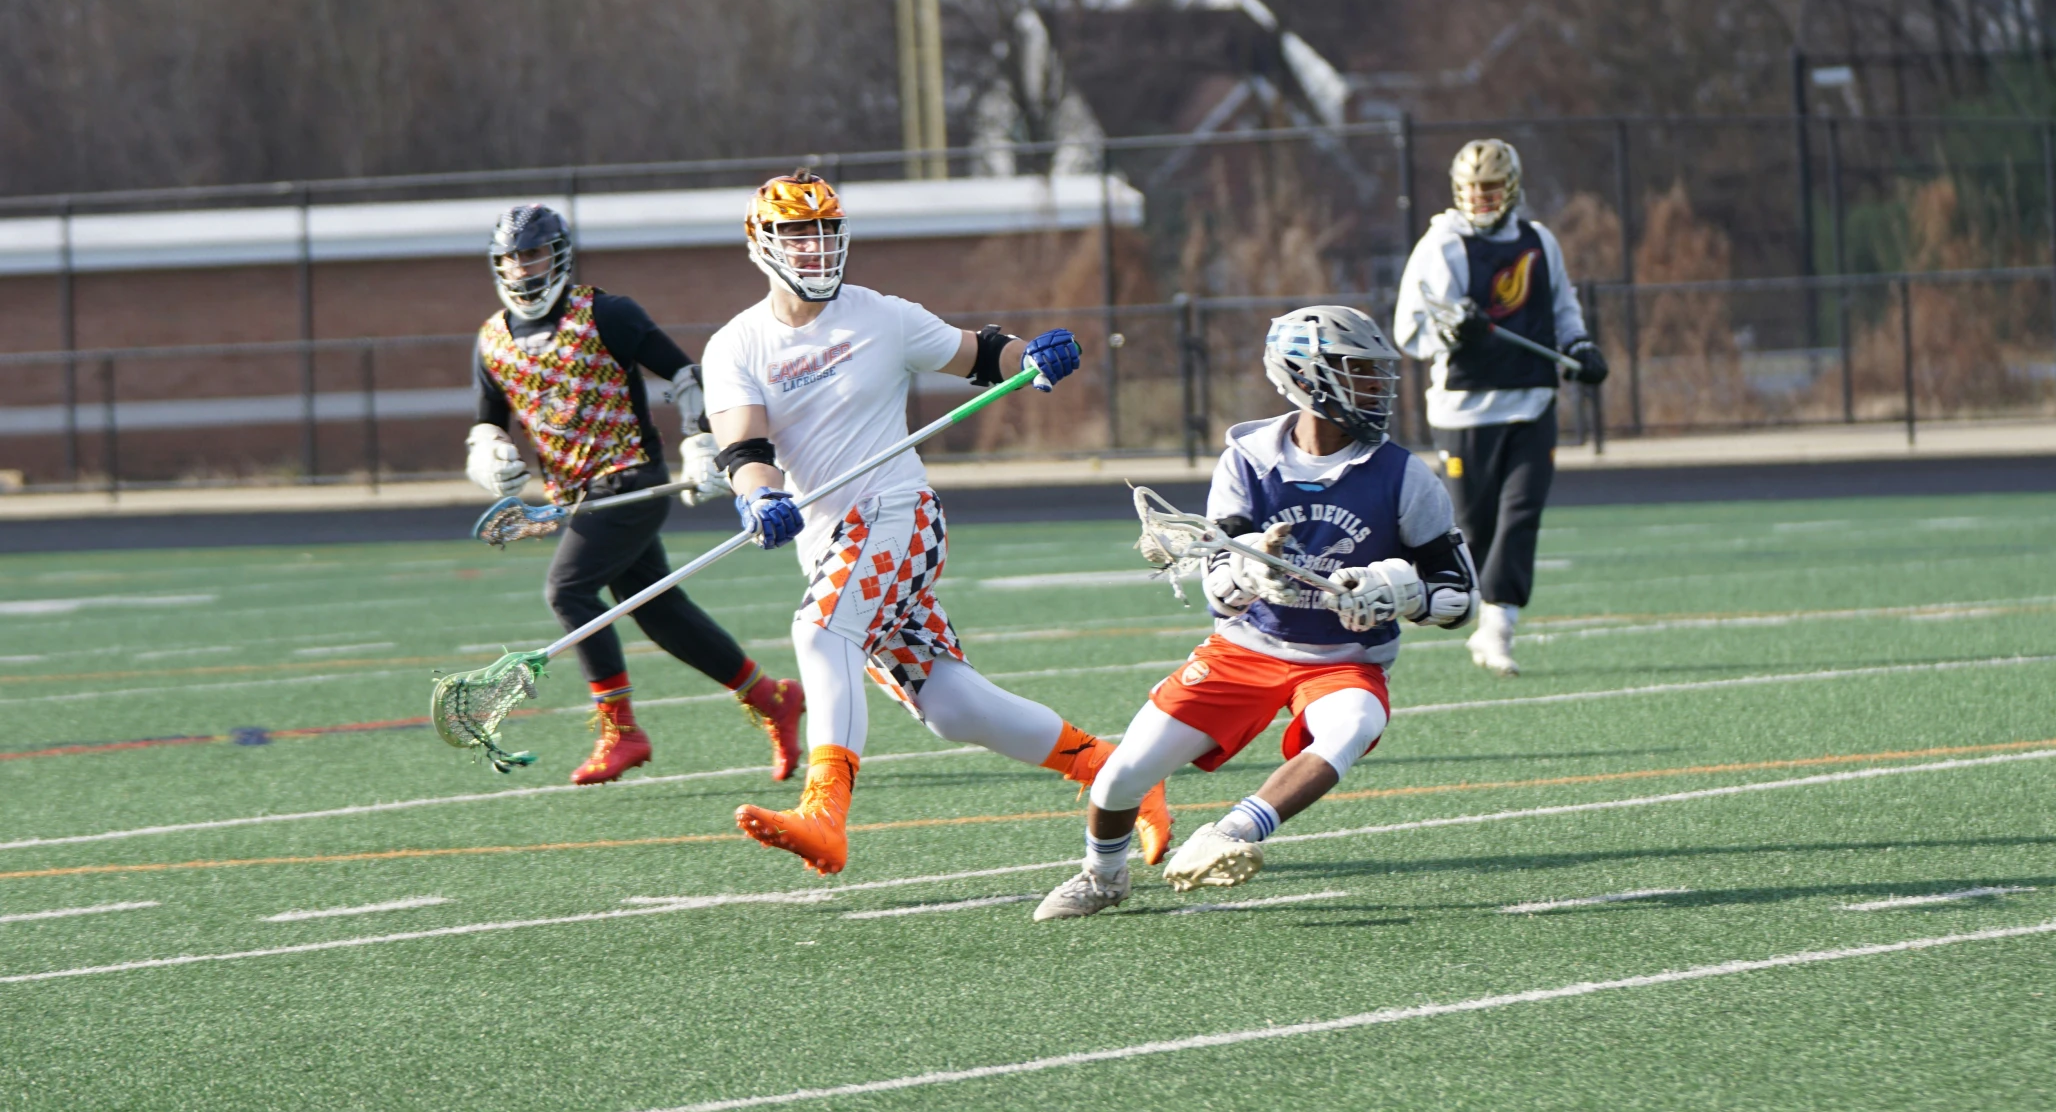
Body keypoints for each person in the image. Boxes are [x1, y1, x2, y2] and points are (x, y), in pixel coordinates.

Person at [700, 169, 1171, 877]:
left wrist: (1035, 358)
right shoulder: (736, 345)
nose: (815, 249)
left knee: (820, 630)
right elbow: (745, 448)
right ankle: (1121, 772)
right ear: (760, 242)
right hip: (830, 544)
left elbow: (985, 356)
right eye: (798, 235)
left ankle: (824, 815)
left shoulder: (882, 316)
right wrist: (759, 496)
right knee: (952, 707)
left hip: (898, 515)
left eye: (826, 232)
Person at [1032, 305, 1478, 920]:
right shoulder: (1248, 457)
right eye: (1358, 372)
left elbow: (1461, 595)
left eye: (1377, 374)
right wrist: (1249, 571)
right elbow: (1219, 585)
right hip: (1245, 647)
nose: (1376, 388)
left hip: (1343, 660)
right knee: (1119, 778)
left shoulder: (1403, 475)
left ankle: (1232, 832)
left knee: (1350, 726)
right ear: (1305, 376)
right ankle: (1103, 876)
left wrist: (1403, 593)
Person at [465, 202, 804, 785]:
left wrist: (702, 442)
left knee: (568, 590)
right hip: (577, 494)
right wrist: (489, 458)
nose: (523, 268)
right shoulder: (492, 339)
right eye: (512, 257)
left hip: (631, 481)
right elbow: (488, 422)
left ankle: (621, 730)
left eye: (534, 253)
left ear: (559, 255)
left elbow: (684, 375)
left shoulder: (605, 313)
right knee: (658, 609)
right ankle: (771, 697)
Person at [1393, 139, 1606, 677]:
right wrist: (1451, 329)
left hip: (1532, 401)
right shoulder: (1441, 244)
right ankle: (1480, 619)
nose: (1480, 199)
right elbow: (1409, 332)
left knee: (1521, 515)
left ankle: (1500, 627)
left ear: (1510, 187)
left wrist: (1579, 348)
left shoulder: (1538, 242)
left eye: (1489, 188)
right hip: (1464, 409)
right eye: (1470, 189)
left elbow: (1562, 307)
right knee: (1476, 527)